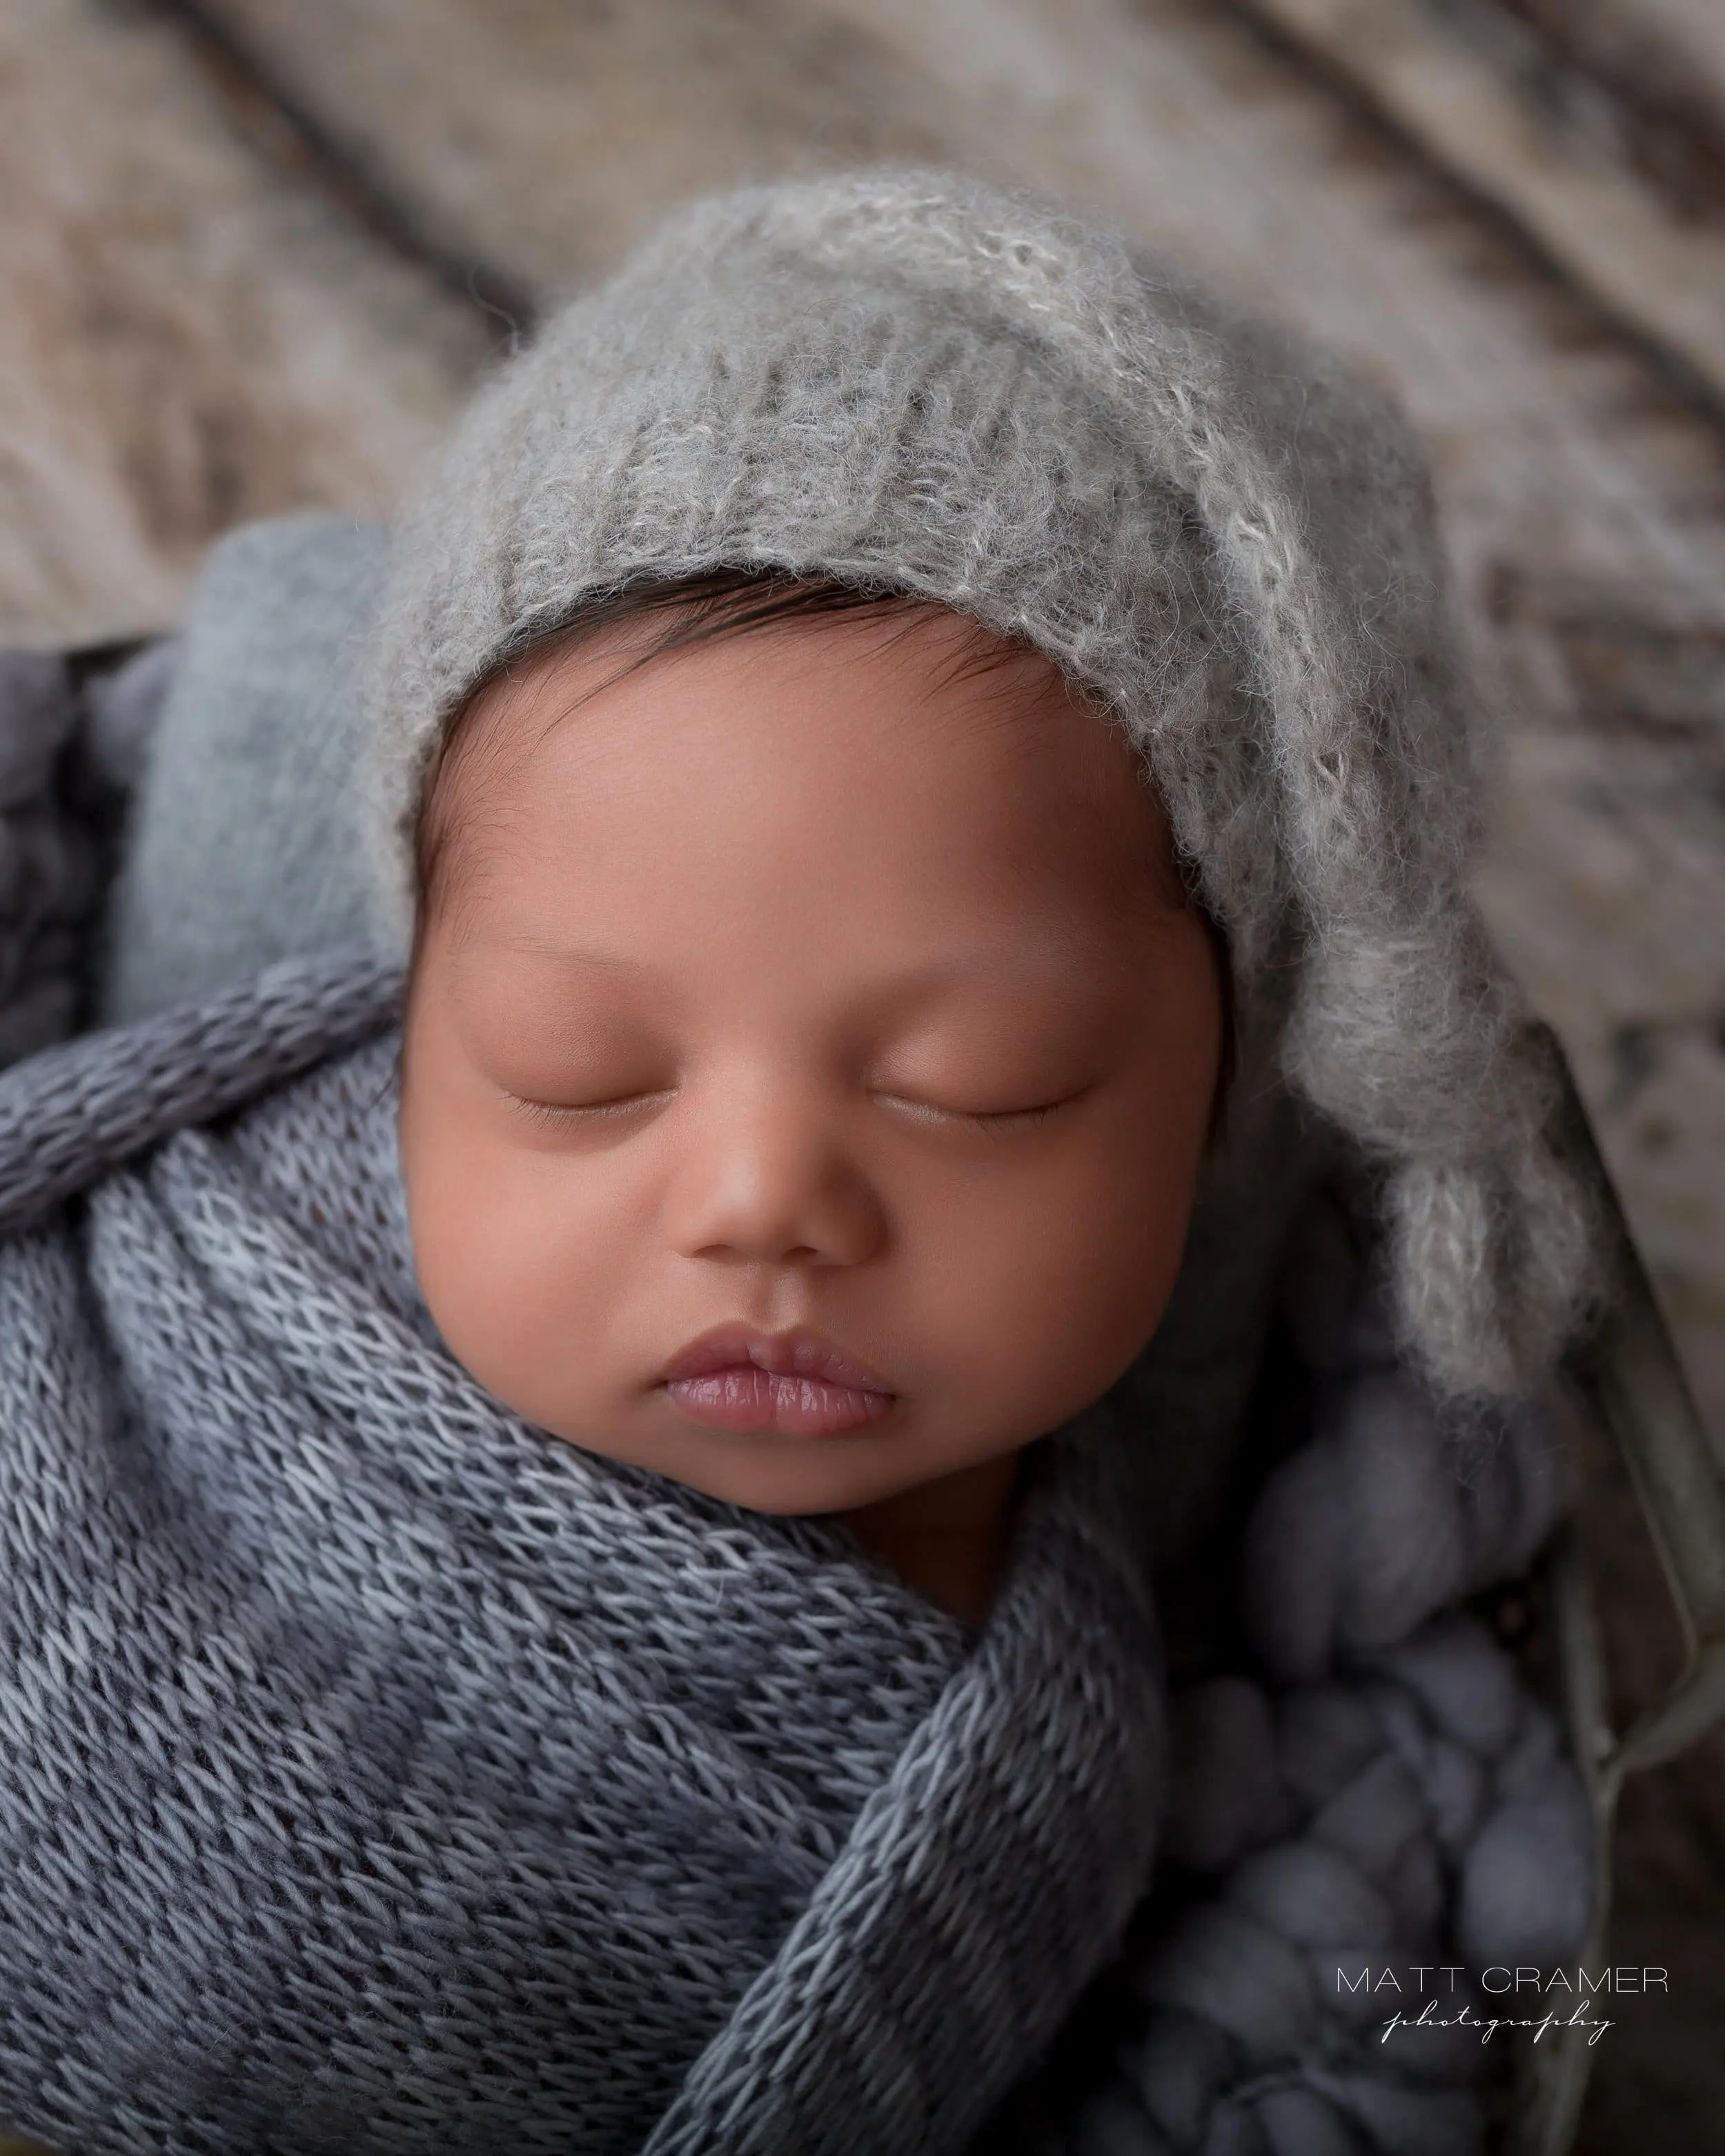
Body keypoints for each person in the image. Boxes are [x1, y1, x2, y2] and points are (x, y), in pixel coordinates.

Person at [0, 168, 1597, 2155]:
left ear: (1214, 1099)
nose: (762, 1197)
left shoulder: (1098, 1761)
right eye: (574, 1067)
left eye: (985, 1078)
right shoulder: (168, 1187)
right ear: (399, 1020)